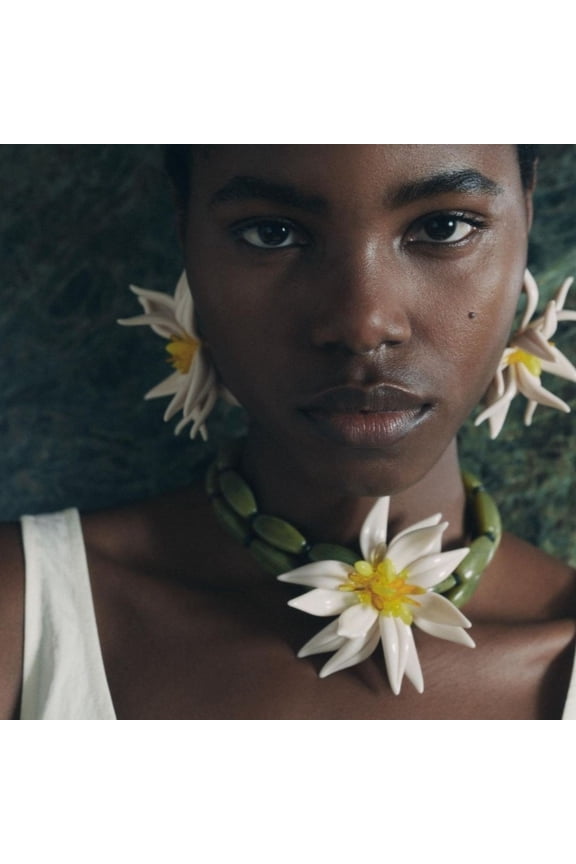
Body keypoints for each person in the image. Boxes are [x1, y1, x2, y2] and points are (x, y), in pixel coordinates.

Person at [1, 145, 574, 720]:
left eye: (443, 227)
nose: (364, 323)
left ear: (526, 216)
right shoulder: (25, 618)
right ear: (186, 236)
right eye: (271, 233)